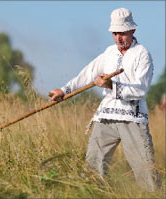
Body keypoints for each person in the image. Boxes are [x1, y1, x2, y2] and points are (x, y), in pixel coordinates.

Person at [48, 8, 161, 192]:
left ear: (132, 31)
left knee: (146, 172)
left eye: (122, 33)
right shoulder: (109, 52)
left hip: (133, 118)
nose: (118, 38)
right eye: (115, 33)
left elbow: (140, 90)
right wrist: (64, 90)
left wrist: (110, 85)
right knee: (92, 170)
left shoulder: (142, 54)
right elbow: (87, 73)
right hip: (106, 117)